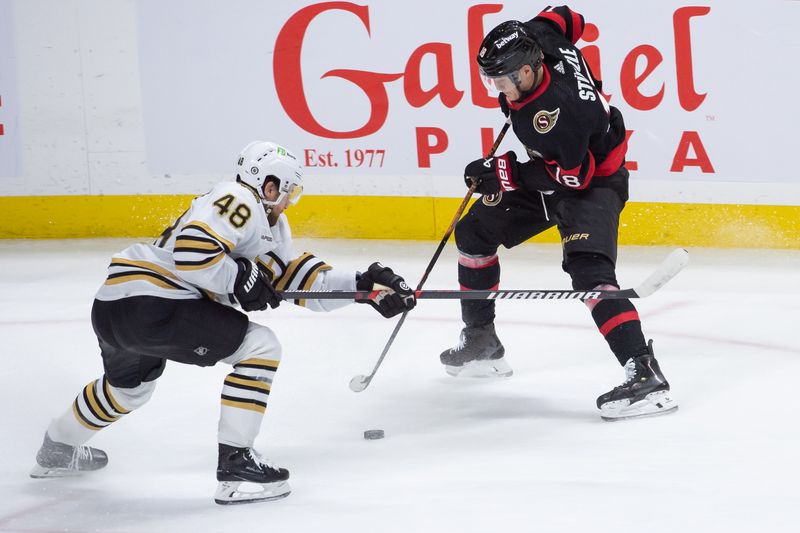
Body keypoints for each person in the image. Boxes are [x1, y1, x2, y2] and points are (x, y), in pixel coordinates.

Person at [30, 141, 416, 504]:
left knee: (129, 390)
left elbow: (290, 280)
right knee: (260, 347)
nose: (288, 203)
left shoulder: (262, 224)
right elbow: (195, 254)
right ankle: (238, 468)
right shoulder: (237, 199)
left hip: (113, 305)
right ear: (268, 185)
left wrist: (363, 286)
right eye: (287, 192)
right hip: (157, 303)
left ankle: (57, 447)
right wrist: (240, 278)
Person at [439, 6, 677, 421]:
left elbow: (575, 177)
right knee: (473, 232)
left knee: (589, 273)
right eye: (489, 79)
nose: (497, 89)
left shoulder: (558, 116)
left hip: (593, 180)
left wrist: (503, 171)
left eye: (501, 80)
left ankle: (645, 375)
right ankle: (481, 340)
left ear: (527, 70)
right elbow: (567, 16)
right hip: (554, 166)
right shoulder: (539, 36)